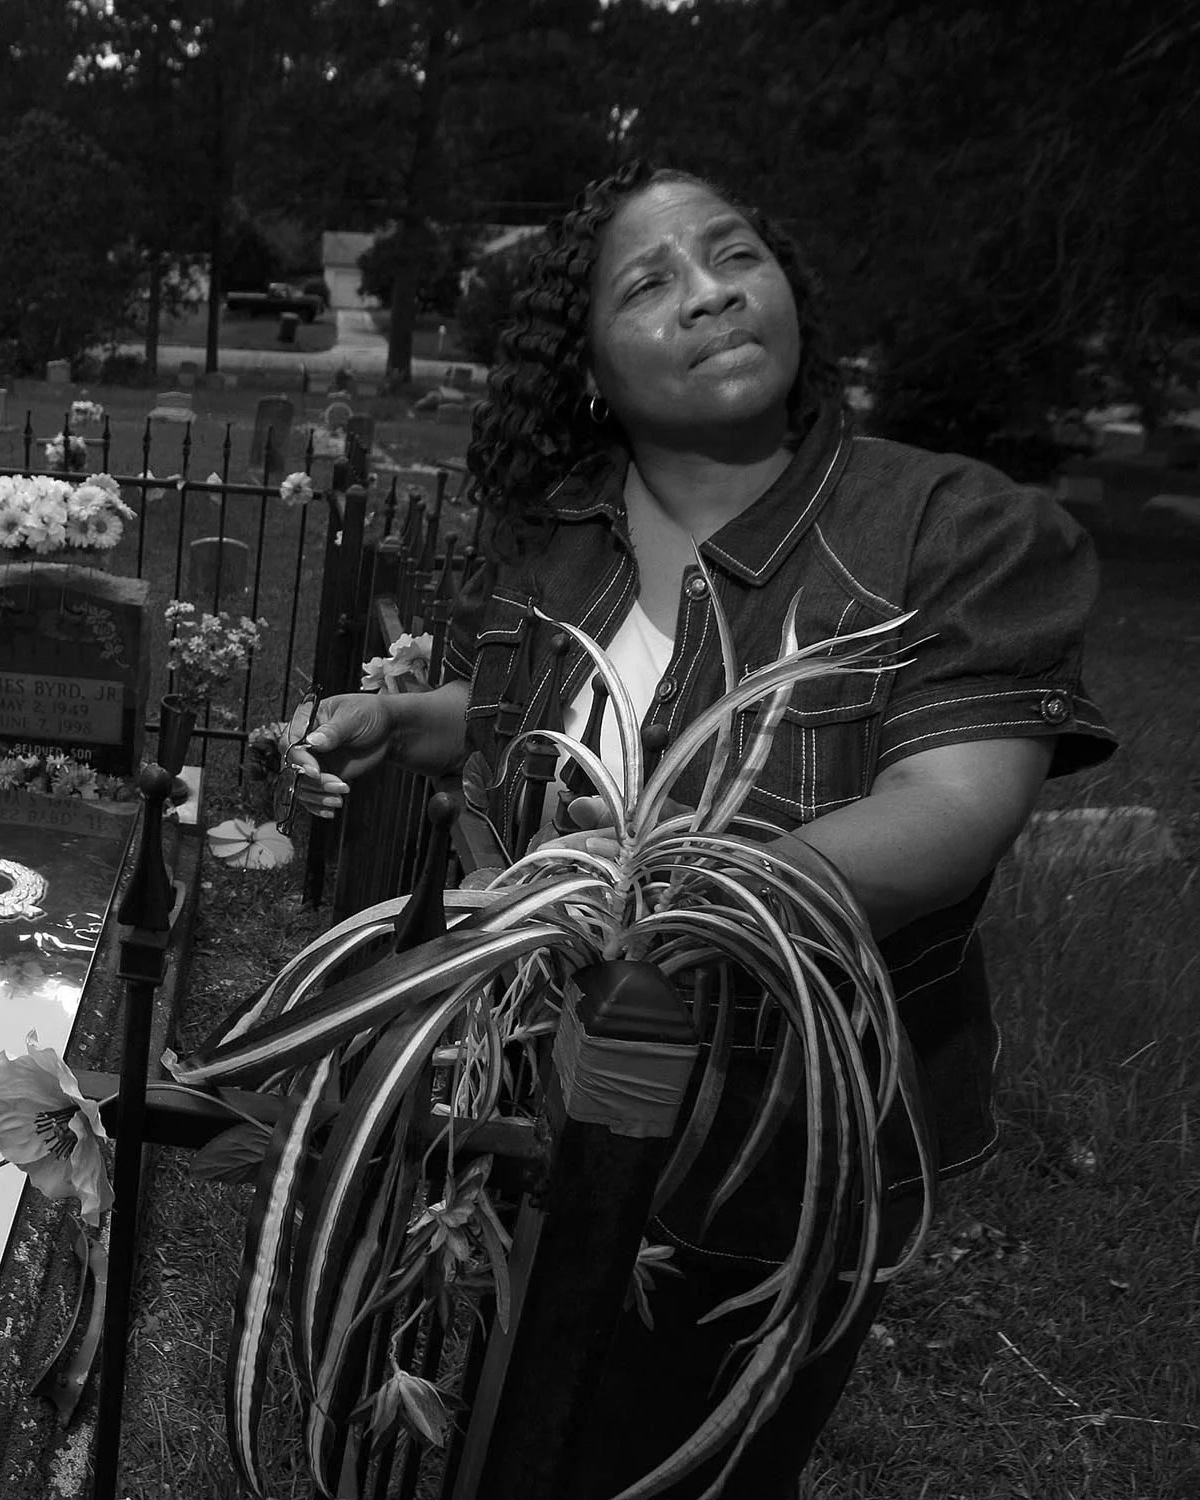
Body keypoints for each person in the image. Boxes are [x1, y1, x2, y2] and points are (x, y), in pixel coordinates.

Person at [288, 159, 1116, 1497]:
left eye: (733, 257)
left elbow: (948, 812)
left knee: (672, 1461)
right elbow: (539, 708)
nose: (712, 294)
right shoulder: (554, 533)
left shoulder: (947, 525)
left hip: (773, 1140)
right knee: (482, 1408)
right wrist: (405, 723)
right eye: (651, 281)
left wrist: (650, 915)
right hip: (513, 1095)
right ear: (590, 369)